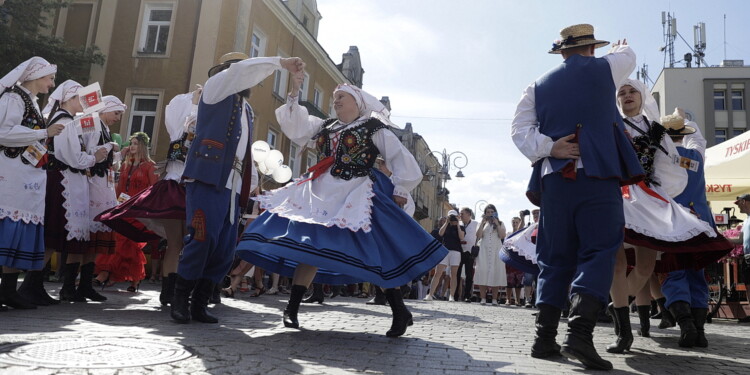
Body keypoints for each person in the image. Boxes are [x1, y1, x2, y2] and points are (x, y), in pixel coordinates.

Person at [236, 75, 448, 337]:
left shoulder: (373, 128)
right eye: (334, 98)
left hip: (358, 194)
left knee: (373, 253)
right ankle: (291, 309)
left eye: (341, 97)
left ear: (357, 102)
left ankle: (399, 310)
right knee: (308, 247)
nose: (335, 102)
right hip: (320, 193)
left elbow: (400, 157)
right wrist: (293, 92)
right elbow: (297, 126)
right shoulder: (326, 126)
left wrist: (401, 188)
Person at [511, 24, 644, 370]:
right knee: (599, 250)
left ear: (562, 51)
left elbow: (519, 131)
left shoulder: (537, 86)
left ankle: (544, 339)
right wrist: (622, 46)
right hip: (597, 175)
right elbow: (628, 55)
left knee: (553, 256)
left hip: (555, 178)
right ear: (591, 49)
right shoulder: (607, 67)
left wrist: (549, 146)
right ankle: (580, 335)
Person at [171, 53, 304, 324]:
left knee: (224, 247)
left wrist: (251, 185)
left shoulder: (245, 108)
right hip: (208, 176)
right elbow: (240, 72)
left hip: (232, 183)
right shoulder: (217, 87)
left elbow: (244, 152)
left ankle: (200, 302)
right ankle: (180, 299)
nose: (250, 80)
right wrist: (280, 63)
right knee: (201, 237)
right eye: (245, 72)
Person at [96, 86, 202, 306]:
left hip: (192, 188)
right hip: (177, 187)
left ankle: (175, 290)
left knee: (184, 243)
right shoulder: (178, 127)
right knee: (177, 243)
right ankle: (169, 291)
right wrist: (193, 102)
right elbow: (183, 116)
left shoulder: (196, 130)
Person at [0, 57, 61, 310]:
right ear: (36, 77)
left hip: (26, 176)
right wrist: (43, 133)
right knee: (9, 228)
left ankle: (8, 290)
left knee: (17, 229)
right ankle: (7, 290)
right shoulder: (13, 98)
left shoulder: (32, 102)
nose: (51, 83)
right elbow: (3, 132)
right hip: (11, 176)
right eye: (49, 78)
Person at [94, 132, 157, 292]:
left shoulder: (150, 166)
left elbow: (154, 190)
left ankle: (113, 275)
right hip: (123, 208)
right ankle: (110, 273)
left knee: (130, 244)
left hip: (139, 210)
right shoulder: (126, 165)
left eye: (136, 143)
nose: (132, 146)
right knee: (121, 241)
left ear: (142, 146)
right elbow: (119, 187)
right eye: (131, 143)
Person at [425, 209, 463, 302]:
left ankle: (452, 296)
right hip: (445, 250)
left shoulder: (460, 227)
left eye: (454, 216)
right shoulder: (446, 226)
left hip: (456, 251)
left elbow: (461, 237)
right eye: (451, 216)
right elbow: (440, 233)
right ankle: (430, 294)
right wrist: (447, 222)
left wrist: (457, 223)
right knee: (438, 273)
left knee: (453, 274)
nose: (452, 218)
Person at [473, 204, 506, 305]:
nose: (490, 214)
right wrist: (483, 223)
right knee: (482, 271)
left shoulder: (500, 223)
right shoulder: (481, 223)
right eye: (488, 212)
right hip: (484, 250)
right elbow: (478, 236)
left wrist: (497, 223)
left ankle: (494, 299)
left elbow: (502, 236)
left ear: (495, 213)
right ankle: (483, 298)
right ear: (485, 214)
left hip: (496, 249)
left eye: (492, 212)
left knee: (496, 271)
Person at [457, 208, 478, 302]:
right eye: (460, 213)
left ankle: (467, 296)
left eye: (462, 213)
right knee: (457, 274)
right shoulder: (458, 223)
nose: (460, 215)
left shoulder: (475, 224)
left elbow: (479, 236)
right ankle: (456, 295)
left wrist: (476, 247)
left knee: (469, 275)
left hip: (470, 252)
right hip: (460, 250)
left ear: (469, 214)